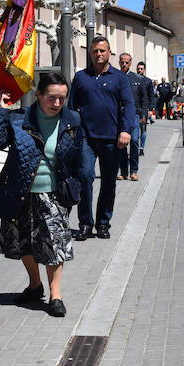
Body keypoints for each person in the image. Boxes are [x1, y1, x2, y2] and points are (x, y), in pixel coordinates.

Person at [0, 73, 85, 317]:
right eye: (52, 97)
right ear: (39, 95)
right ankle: (34, 285)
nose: (57, 103)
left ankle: (56, 295)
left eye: (62, 98)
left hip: (53, 194)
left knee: (55, 246)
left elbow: (79, 160)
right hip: (20, 191)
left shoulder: (73, 121)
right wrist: (0, 111)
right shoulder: (19, 119)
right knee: (23, 243)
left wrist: (77, 188)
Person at [69, 36, 134, 240]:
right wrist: (70, 132)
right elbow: (71, 107)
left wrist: (126, 130)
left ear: (109, 53)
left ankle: (103, 223)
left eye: (103, 50)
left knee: (108, 182)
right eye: (95, 51)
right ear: (90, 52)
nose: (99, 54)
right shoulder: (81, 77)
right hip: (86, 137)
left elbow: (128, 105)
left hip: (112, 139)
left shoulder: (120, 78)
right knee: (85, 177)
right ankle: (86, 224)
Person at [117, 53, 148, 182]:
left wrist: (144, 115)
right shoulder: (115, 77)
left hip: (134, 114)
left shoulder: (137, 78)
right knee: (121, 143)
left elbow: (144, 98)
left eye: (127, 62)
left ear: (130, 63)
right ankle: (123, 172)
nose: (124, 64)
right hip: (119, 115)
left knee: (134, 140)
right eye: (122, 62)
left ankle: (134, 171)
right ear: (119, 62)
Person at [135, 62, 156, 155]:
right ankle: (135, 148)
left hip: (144, 109)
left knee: (143, 129)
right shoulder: (133, 79)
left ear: (144, 70)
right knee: (135, 130)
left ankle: (141, 148)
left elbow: (152, 96)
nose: (139, 70)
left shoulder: (148, 81)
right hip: (135, 108)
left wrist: (150, 109)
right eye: (138, 68)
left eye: (141, 69)